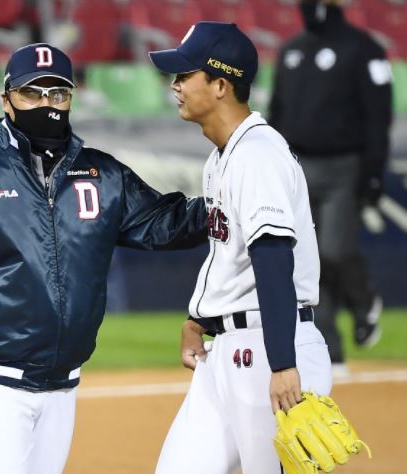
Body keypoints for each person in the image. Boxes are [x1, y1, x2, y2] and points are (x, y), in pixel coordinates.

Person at [0, 42, 209, 473]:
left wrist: (226, 200)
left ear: (71, 98)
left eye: (57, 94)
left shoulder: (102, 174)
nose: (46, 104)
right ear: (6, 100)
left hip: (64, 380)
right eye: (32, 93)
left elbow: (164, 223)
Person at [149, 22, 332, 473]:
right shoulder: (223, 157)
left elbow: (272, 258)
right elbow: (230, 254)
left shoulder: (257, 155)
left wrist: (284, 363)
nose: (174, 85)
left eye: (185, 74)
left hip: (271, 350)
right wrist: (200, 320)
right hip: (228, 353)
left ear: (220, 85)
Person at [269, 0, 391, 372]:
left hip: (345, 166)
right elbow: (276, 111)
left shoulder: (364, 48)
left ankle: (363, 301)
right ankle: (329, 350)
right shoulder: (291, 51)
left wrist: (373, 171)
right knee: (308, 263)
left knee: (336, 250)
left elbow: (379, 116)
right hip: (299, 166)